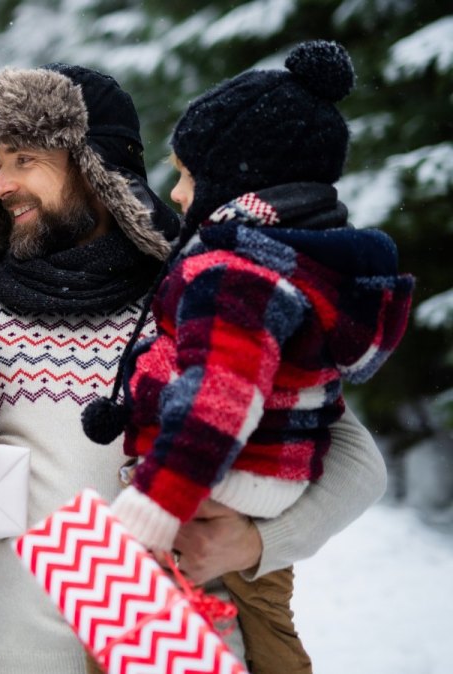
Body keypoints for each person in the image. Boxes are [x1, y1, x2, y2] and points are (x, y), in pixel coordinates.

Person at [0, 62, 388, 672]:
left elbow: (356, 461)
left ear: (95, 166)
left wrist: (255, 544)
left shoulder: (206, 298)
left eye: (23, 159)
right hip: (25, 656)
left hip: (183, 651)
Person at [80, 40, 412, 672]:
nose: (175, 195)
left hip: (208, 498)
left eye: (186, 175)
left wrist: (155, 504)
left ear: (236, 177)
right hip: (256, 493)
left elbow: (220, 397)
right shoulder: (295, 264)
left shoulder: (233, 274)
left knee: (170, 644)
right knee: (267, 637)